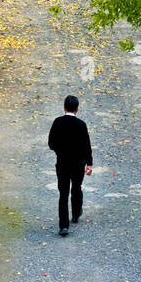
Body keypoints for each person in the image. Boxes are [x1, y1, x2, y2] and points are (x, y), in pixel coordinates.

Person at [48, 94, 93, 236]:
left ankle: (63, 226)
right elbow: (87, 146)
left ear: (64, 107)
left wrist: (59, 151)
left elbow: (51, 143)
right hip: (78, 164)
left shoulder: (57, 122)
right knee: (76, 188)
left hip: (62, 163)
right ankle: (75, 213)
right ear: (77, 109)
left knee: (63, 194)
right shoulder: (81, 125)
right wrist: (89, 164)